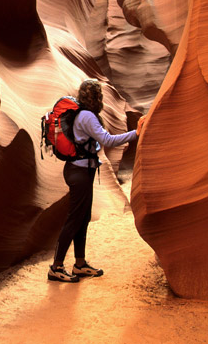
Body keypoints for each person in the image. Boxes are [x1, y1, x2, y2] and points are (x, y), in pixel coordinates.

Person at [48, 79, 146, 283]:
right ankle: (56, 267)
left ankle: (80, 264)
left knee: (82, 218)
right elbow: (108, 140)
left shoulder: (82, 114)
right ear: (96, 98)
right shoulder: (87, 116)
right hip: (80, 173)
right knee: (74, 220)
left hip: (81, 170)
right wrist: (135, 134)